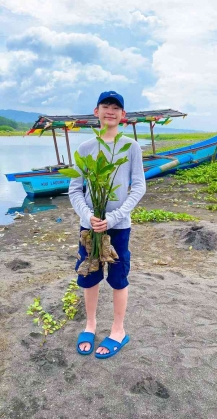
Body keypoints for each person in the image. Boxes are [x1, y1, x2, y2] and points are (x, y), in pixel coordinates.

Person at [69, 91, 146, 359]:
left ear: (122, 115)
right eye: (106, 106)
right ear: (96, 111)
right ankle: (90, 325)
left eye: (116, 107)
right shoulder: (85, 149)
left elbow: (138, 187)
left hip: (119, 226)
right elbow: (75, 189)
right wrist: (88, 215)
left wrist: (113, 218)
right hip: (89, 227)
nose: (110, 111)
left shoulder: (131, 146)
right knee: (89, 274)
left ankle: (118, 330)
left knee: (117, 276)